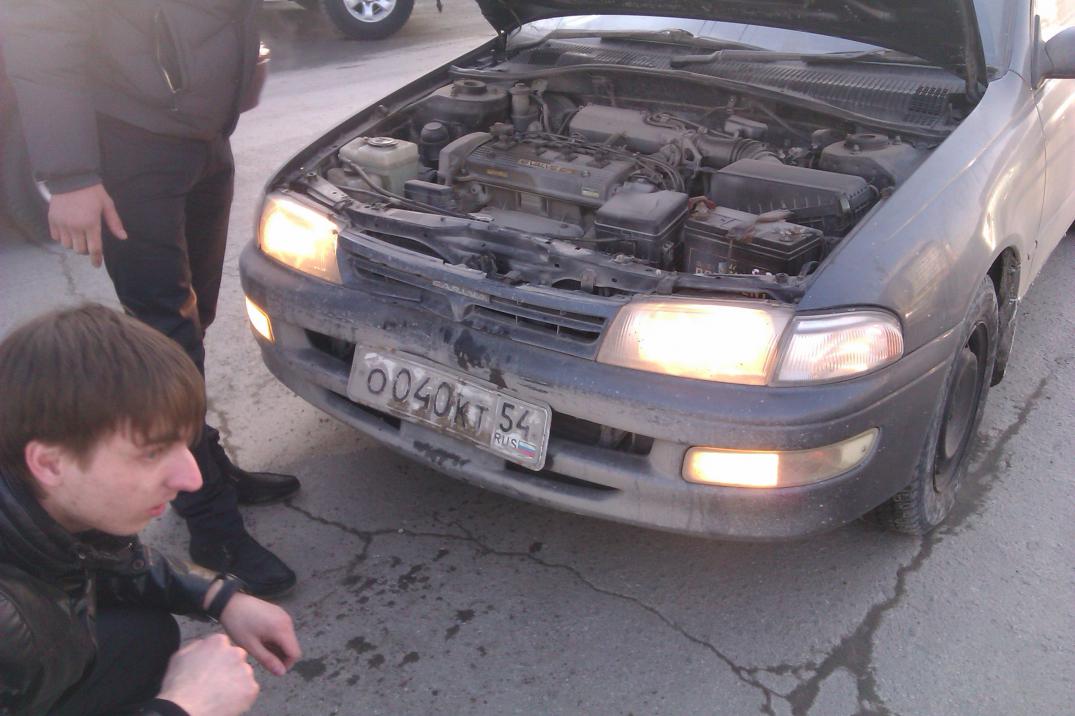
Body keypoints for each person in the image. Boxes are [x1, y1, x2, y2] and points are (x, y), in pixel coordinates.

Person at [0, 0, 299, 596]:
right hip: (130, 140)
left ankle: (205, 467)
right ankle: (211, 525)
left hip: (204, 134)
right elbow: (39, 28)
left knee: (195, 319)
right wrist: (71, 174)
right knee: (168, 339)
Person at [0, 305, 302, 716]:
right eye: (152, 453)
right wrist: (184, 706)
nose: (191, 479)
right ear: (50, 464)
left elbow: (109, 559)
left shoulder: (48, 501)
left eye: (185, 443)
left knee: (145, 636)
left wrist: (219, 596)